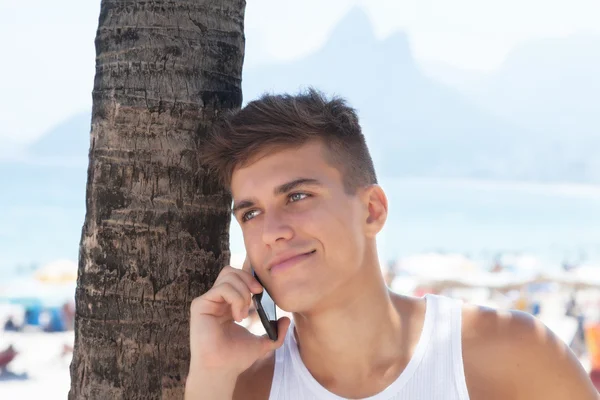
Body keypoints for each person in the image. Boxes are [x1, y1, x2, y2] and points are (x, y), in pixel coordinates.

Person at [185, 89, 598, 399]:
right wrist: (210, 374)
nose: (272, 230)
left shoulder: (511, 353)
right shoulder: (243, 388)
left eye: (297, 197)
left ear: (372, 210)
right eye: (250, 213)